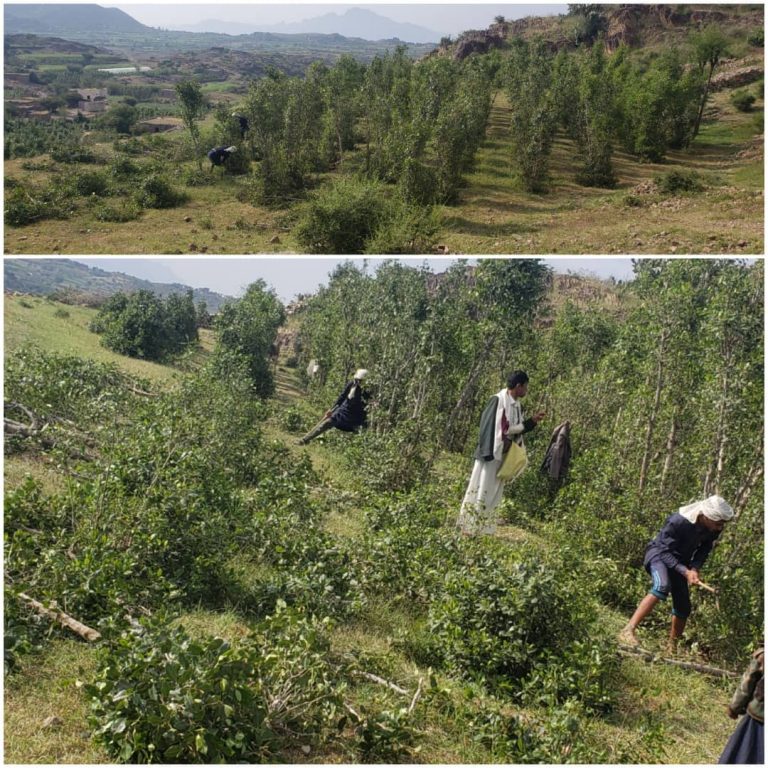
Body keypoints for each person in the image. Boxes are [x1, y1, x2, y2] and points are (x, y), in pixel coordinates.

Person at [618, 495, 734, 650]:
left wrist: (694, 569)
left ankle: (672, 648)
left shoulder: (713, 528)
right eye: (718, 523)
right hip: (658, 555)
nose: (720, 528)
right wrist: (685, 571)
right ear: (706, 516)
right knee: (662, 586)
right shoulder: (678, 521)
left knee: (683, 606)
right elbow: (664, 551)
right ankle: (627, 630)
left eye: (722, 524)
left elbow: (704, 549)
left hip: (681, 563)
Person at [457, 370, 545, 536]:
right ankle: (469, 527)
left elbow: (515, 428)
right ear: (518, 386)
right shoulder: (498, 400)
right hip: (491, 454)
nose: (526, 391)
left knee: (494, 492)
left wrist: (531, 422)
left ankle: (484, 529)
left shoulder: (516, 405)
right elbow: (493, 427)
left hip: (504, 455)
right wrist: (490, 451)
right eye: (525, 387)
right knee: (481, 489)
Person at [297, 369, 370, 445]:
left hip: (356, 416)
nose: (357, 382)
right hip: (342, 412)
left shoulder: (367, 391)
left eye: (360, 380)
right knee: (325, 424)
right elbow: (342, 397)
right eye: (356, 380)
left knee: (359, 433)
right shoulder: (351, 384)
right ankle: (305, 439)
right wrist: (331, 409)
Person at [719, 646, 764, 764]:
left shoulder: (763, 655)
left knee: (743, 756)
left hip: (757, 721)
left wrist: (734, 708)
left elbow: (747, 684)